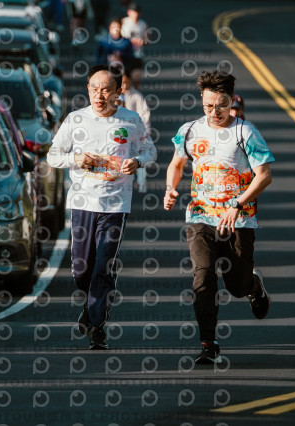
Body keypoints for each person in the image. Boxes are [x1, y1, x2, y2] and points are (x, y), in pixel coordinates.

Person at [164, 70, 274, 364]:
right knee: (203, 276)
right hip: (201, 216)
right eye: (208, 106)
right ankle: (208, 343)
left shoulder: (245, 133)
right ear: (202, 101)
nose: (215, 112)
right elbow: (177, 164)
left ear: (231, 102)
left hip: (239, 219)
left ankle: (252, 285)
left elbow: (264, 176)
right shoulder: (190, 130)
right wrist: (170, 188)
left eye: (221, 106)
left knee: (236, 286)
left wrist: (237, 204)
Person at [47, 64, 156, 349]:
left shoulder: (131, 120)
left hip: (116, 205)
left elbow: (150, 150)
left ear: (118, 92)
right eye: (94, 89)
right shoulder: (76, 120)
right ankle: (91, 303)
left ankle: (97, 326)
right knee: (82, 270)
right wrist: (75, 159)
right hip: (82, 203)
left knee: (103, 265)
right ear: (88, 90)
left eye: (106, 90)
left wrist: (137, 162)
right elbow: (53, 155)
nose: (99, 95)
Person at [119, 70, 150, 192]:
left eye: (126, 82)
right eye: (122, 83)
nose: (124, 85)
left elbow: (145, 113)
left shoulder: (136, 96)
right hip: (122, 133)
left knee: (139, 157)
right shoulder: (116, 97)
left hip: (136, 133)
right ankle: (126, 182)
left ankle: (142, 182)